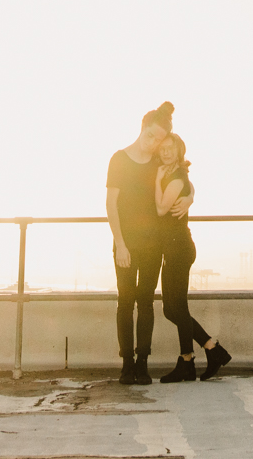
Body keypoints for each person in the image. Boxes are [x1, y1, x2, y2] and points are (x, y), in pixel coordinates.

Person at [106, 101, 175, 384]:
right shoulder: (119, 159)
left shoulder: (159, 162)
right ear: (142, 128)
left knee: (146, 303)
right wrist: (120, 244)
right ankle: (127, 365)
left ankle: (143, 362)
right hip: (125, 243)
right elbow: (111, 204)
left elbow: (182, 175)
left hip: (152, 245)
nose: (153, 143)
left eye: (159, 140)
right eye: (151, 136)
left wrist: (190, 196)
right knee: (125, 301)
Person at [153, 133, 230, 381]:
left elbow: (161, 208)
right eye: (163, 148)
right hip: (173, 247)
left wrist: (157, 181)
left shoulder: (171, 176)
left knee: (175, 308)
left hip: (179, 248)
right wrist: (191, 196)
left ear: (179, 151)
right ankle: (209, 350)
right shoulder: (173, 172)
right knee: (173, 309)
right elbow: (189, 185)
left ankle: (192, 359)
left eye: (170, 148)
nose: (166, 152)